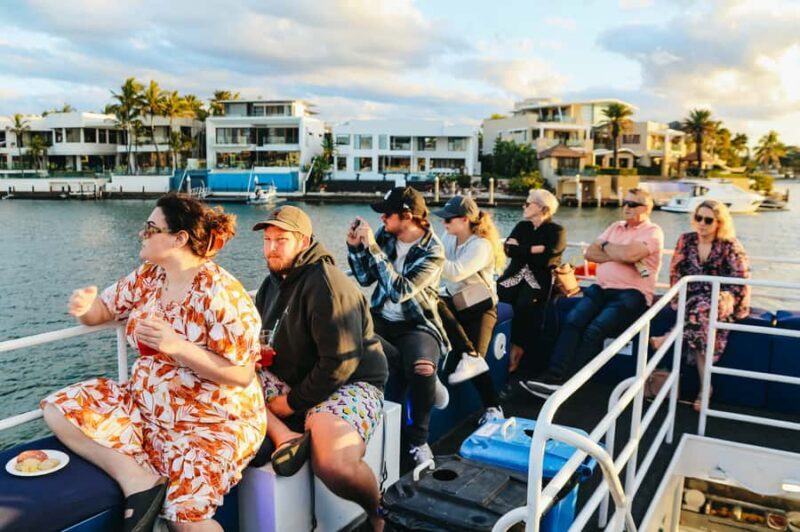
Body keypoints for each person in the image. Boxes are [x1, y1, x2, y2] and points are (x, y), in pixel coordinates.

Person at [42, 193, 266, 532]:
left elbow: (242, 373)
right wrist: (86, 307)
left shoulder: (220, 294)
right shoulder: (149, 277)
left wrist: (177, 346)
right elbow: (104, 310)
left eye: (150, 228)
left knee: (186, 521)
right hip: (146, 406)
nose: (141, 234)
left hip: (210, 423)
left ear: (179, 238)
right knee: (59, 410)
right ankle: (138, 482)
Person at [251, 205, 389, 531]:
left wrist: (292, 402)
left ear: (303, 241)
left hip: (351, 381)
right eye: (267, 239)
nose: (271, 248)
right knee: (226, 375)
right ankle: (283, 435)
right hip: (298, 377)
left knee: (334, 464)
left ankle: (379, 512)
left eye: (280, 240)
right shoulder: (271, 286)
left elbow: (340, 362)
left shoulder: (325, 284)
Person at [522, 188, 664, 398]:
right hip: (601, 289)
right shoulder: (615, 227)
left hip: (632, 294)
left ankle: (569, 385)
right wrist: (619, 253)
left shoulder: (652, 231)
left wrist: (610, 249)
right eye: (625, 202)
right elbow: (590, 253)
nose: (626, 207)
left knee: (595, 329)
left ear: (646, 208)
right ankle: (553, 376)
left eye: (632, 204)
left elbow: (632, 253)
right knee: (572, 321)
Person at [347, 186, 450, 468]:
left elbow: (400, 290)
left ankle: (419, 441)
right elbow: (366, 278)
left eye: (387, 214)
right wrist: (356, 248)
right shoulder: (386, 236)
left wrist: (374, 248)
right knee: (347, 334)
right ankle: (415, 368)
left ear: (407, 216)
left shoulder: (434, 251)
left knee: (422, 368)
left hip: (418, 323)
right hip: (381, 317)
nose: (381, 220)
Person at [651, 200, 750, 411]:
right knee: (699, 320)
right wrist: (677, 299)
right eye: (698, 218)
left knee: (700, 310)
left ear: (719, 223)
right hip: (692, 298)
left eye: (708, 220)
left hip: (722, 297)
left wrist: (735, 306)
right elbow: (676, 273)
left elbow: (741, 279)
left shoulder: (729, 245)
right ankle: (706, 388)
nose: (701, 224)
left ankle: (669, 337)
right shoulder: (686, 240)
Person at [432, 195, 505, 424]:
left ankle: (494, 408)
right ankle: (469, 356)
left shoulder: (481, 245)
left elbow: (454, 272)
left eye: (448, 220)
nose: (443, 224)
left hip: (480, 306)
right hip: (455, 299)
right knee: (432, 301)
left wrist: (427, 256)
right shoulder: (448, 236)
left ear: (464, 220)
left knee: (475, 361)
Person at [502, 189, 566, 373]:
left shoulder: (556, 231)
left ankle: (519, 352)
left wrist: (521, 249)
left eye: (528, 203)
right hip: (513, 276)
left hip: (538, 280)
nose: (524, 206)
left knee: (526, 305)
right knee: (499, 299)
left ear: (543, 208)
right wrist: (533, 250)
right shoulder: (522, 226)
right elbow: (508, 250)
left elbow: (549, 254)